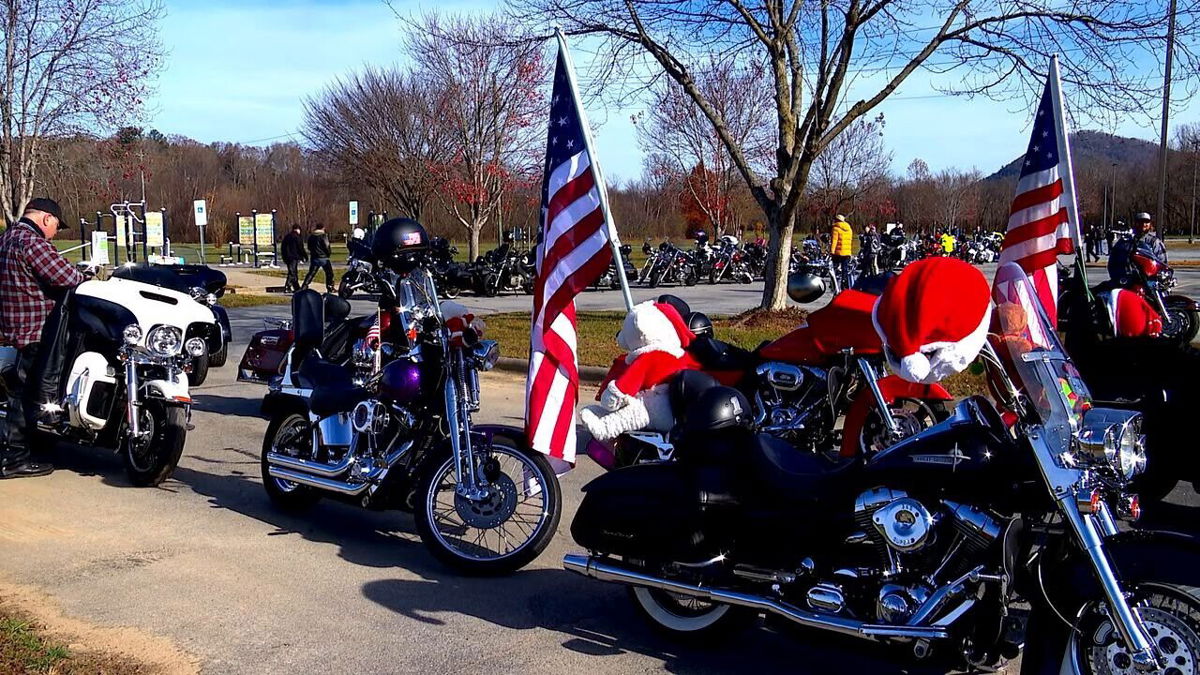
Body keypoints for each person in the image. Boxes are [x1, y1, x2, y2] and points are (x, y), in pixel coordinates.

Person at [0, 198, 85, 479]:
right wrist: (86, 275)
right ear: (46, 219)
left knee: (20, 389)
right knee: (26, 392)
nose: (56, 233)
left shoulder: (8, 237)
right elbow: (67, 277)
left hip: (13, 326)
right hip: (36, 329)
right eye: (57, 227)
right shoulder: (32, 242)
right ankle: (15, 458)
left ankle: (26, 447)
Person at [301, 223, 334, 293]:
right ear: (323, 228)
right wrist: (328, 253)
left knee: (311, 273)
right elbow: (327, 246)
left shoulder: (311, 236)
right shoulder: (323, 236)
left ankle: (304, 286)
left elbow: (309, 247)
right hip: (323, 258)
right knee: (329, 273)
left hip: (314, 258)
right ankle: (330, 287)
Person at [280, 224, 306, 293]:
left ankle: (296, 286)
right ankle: (287, 286)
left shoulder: (287, 237)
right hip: (294, 257)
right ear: (298, 229)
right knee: (292, 272)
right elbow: (300, 248)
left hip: (287, 257)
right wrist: (304, 256)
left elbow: (283, 247)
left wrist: (284, 256)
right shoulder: (297, 237)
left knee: (293, 272)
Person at [830, 214, 854, 289]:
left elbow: (834, 241)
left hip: (838, 252)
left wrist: (832, 251)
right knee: (845, 269)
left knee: (834, 268)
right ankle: (844, 283)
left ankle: (835, 283)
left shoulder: (836, 228)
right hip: (847, 252)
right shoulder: (849, 229)